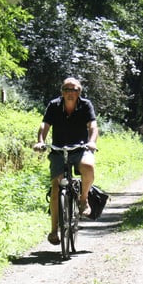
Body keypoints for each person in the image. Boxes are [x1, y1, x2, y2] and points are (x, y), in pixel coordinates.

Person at [33, 77, 99, 245]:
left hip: (79, 148)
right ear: (62, 92)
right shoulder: (54, 105)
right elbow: (44, 125)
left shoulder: (85, 105)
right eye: (67, 89)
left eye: (74, 89)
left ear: (79, 92)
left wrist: (92, 142)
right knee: (56, 187)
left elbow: (92, 126)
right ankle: (54, 231)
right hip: (58, 149)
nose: (70, 93)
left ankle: (83, 200)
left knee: (88, 166)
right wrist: (41, 141)